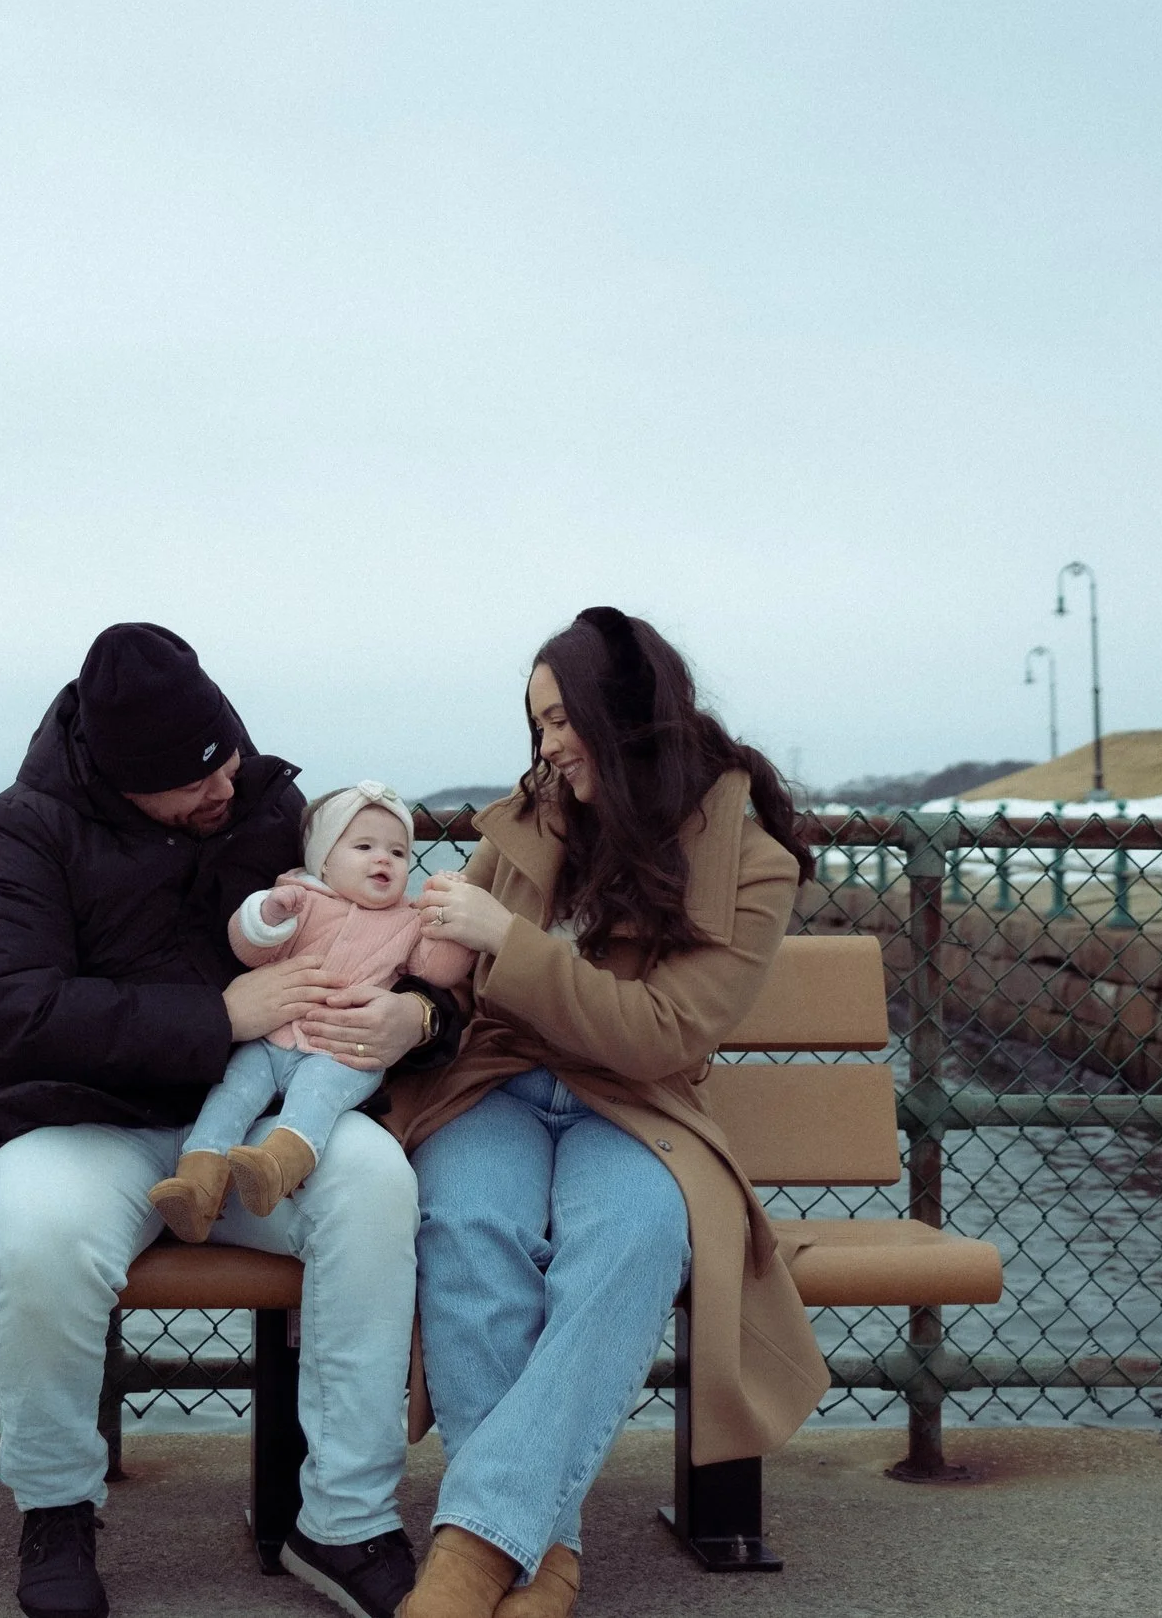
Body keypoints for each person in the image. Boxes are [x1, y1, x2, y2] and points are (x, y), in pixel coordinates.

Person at [0, 623, 456, 1618]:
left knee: (375, 1179)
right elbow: (5, 1003)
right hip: (75, 1123)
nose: (218, 787)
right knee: (39, 1232)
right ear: (117, 778)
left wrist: (419, 1019)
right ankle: (55, 1508)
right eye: (187, 779)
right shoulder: (25, 833)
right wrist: (214, 1017)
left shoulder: (274, 809)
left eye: (223, 755)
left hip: (262, 1120)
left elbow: (390, 947)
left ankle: (343, 1517)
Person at [385, 607, 827, 1618]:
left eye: (559, 721)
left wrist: (509, 936)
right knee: (465, 1222)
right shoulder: (536, 811)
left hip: (635, 1101)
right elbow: (460, 977)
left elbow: (663, 1034)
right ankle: (541, 1556)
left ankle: (472, 1547)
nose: (544, 747)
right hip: (495, 1077)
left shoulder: (750, 862)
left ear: (621, 715)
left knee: (632, 1236)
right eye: (535, 724)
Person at [148, 781, 476, 1242]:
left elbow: (440, 970)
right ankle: (197, 1184)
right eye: (364, 846)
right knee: (231, 1094)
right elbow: (249, 947)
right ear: (323, 860)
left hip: (342, 1051)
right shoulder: (298, 896)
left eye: (399, 853)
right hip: (271, 1040)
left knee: (316, 1098)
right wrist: (266, 914)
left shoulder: (408, 921)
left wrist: (446, 916)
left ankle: (278, 1167)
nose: (384, 859)